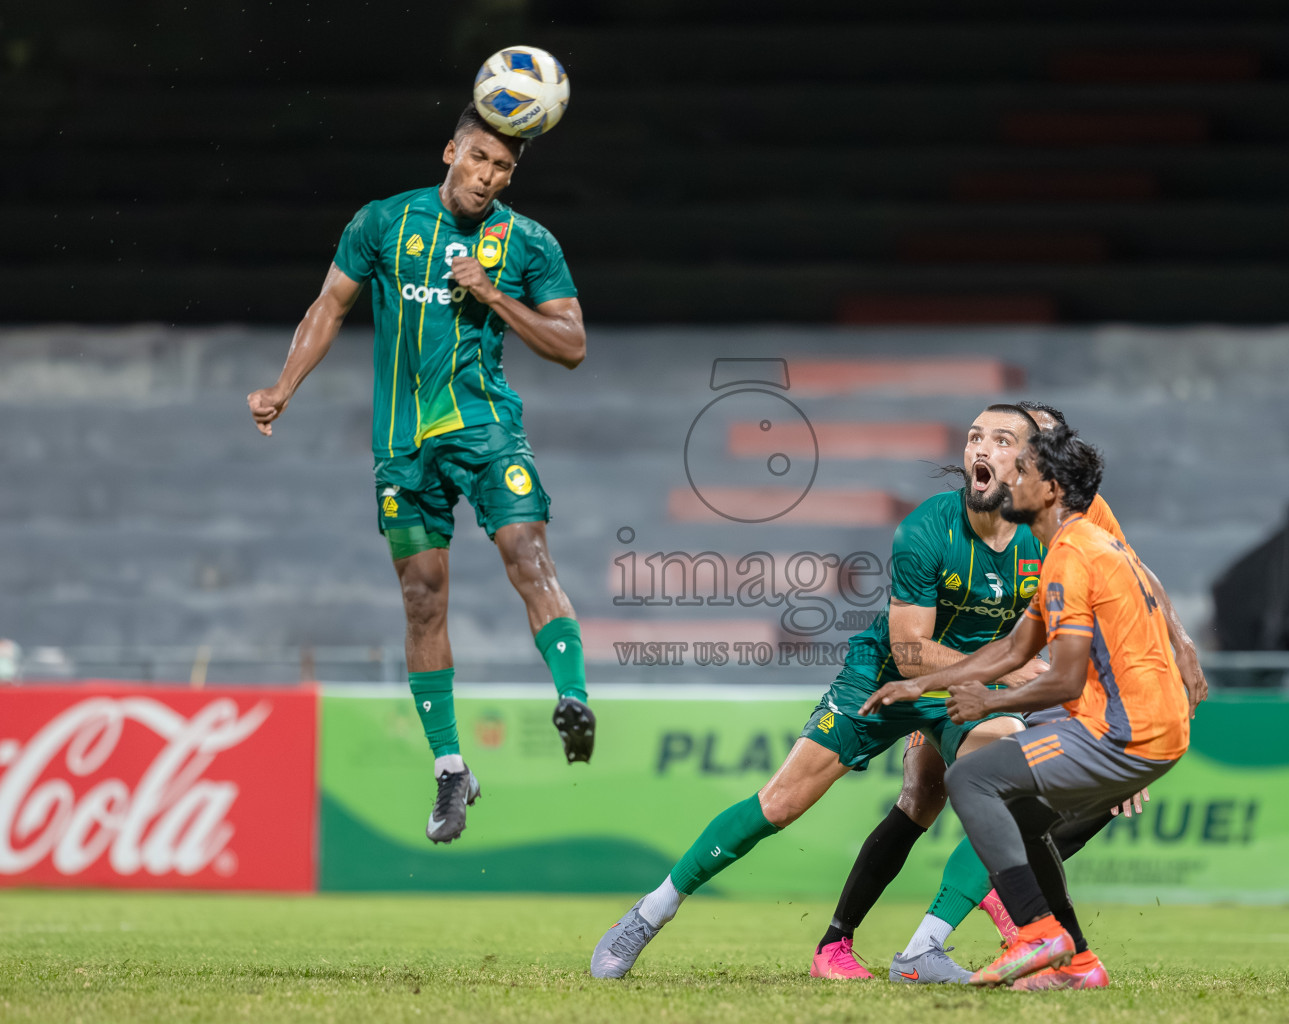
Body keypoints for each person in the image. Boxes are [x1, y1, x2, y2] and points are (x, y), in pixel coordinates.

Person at [590, 403, 1054, 979]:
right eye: (974, 437)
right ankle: (649, 912)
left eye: (1001, 440)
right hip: (885, 677)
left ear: (1028, 462)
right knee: (779, 804)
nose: (981, 448)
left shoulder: (1046, 538)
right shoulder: (927, 528)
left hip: (962, 688)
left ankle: (921, 952)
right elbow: (911, 652)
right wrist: (1007, 670)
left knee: (1011, 775)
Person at [246, 104, 594, 845]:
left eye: (503, 168)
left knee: (527, 555)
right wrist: (282, 388)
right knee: (421, 598)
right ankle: (449, 770)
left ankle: (574, 702)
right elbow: (329, 306)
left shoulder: (526, 242)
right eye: (479, 160)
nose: (488, 177)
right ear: (451, 151)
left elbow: (571, 345)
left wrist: (494, 292)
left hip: (486, 429)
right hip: (403, 447)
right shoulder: (382, 223)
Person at [826, 402, 1206, 987]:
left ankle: (1033, 934)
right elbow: (1012, 652)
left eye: (1021, 469)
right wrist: (917, 682)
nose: (1006, 477)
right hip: (1144, 722)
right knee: (1022, 818)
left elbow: (1063, 679)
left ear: (1048, 488)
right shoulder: (1063, 547)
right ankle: (1077, 962)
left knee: (974, 781)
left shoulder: (1073, 556)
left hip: (1129, 726)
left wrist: (990, 703)